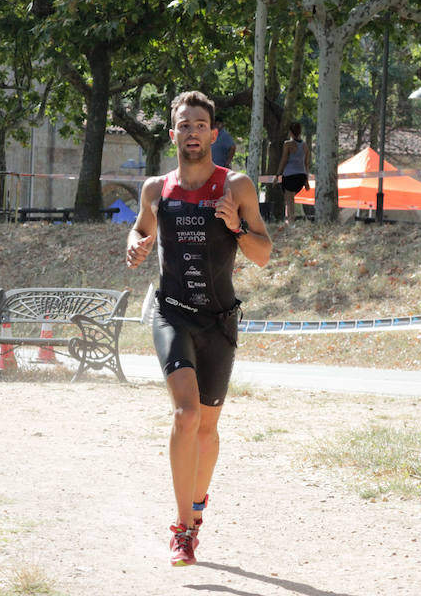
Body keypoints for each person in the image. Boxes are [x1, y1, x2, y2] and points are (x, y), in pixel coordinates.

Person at [126, 91, 271, 567]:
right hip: (172, 314)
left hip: (220, 320)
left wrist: (237, 227)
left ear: (213, 133)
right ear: (173, 134)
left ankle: (197, 511)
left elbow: (264, 253)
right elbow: (141, 229)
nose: (192, 132)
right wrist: (136, 245)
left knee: (207, 430)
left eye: (200, 124)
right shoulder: (156, 188)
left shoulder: (238, 187)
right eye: (184, 124)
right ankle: (181, 527)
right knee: (185, 416)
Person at [273, 122, 311, 223]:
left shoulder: (287, 144)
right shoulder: (305, 146)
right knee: (292, 200)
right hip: (301, 177)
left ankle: (291, 223)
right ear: (300, 132)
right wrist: (306, 181)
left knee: (289, 201)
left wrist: (277, 175)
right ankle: (291, 221)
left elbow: (284, 160)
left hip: (289, 176)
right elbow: (306, 164)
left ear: (290, 132)